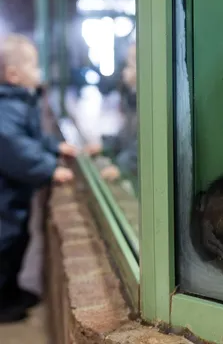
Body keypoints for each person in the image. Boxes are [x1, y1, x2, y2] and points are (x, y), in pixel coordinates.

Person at [0, 34, 77, 323]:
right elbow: (15, 148)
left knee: (18, 242)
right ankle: (3, 302)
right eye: (33, 65)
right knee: (5, 249)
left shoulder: (21, 102)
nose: (40, 71)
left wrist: (53, 147)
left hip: (12, 201)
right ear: (14, 74)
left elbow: (31, 138)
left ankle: (11, 291)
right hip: (4, 203)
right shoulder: (6, 110)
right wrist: (49, 167)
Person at [86, 44, 138, 181]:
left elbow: (144, 145)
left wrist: (122, 167)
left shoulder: (147, 104)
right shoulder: (133, 98)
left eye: (130, 66)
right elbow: (127, 136)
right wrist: (106, 146)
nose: (125, 72)